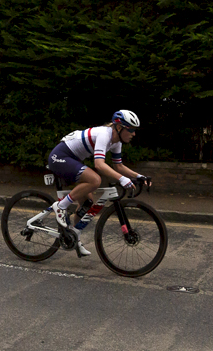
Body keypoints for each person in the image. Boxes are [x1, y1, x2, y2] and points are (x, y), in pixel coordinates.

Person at [45, 110, 151, 257]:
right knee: (95, 180)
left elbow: (118, 166)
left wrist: (139, 176)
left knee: (87, 203)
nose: (134, 134)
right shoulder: (104, 134)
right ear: (119, 128)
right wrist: (122, 179)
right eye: (131, 130)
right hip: (60, 157)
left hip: (73, 160)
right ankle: (61, 206)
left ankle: (74, 238)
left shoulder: (116, 141)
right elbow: (99, 165)